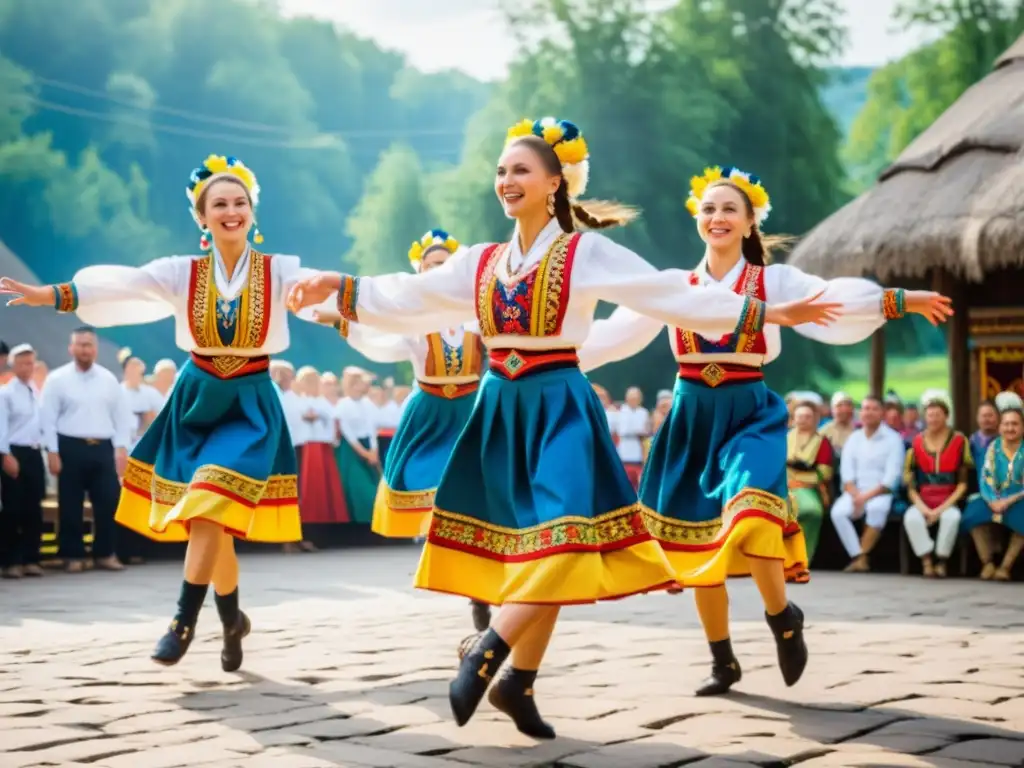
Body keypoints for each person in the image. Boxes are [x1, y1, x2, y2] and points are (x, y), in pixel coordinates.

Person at [287, 117, 843, 736]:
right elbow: (412, 296)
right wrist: (338, 285)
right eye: (501, 171)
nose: (506, 180)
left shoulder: (586, 253)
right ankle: (519, 685)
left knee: (565, 540)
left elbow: (669, 294)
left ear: (555, 182)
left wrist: (762, 311)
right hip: (500, 410)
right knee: (539, 551)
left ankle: (487, 649)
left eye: (521, 170)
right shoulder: (481, 262)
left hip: (559, 409)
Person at [575, 165, 952, 697]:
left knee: (752, 514)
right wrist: (540, 361)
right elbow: (615, 333)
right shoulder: (677, 287)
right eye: (708, 209)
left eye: (730, 208)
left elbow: (833, 300)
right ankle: (722, 659)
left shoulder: (774, 281)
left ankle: (781, 617)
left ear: (751, 222)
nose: (718, 217)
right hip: (690, 419)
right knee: (697, 544)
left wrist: (900, 300)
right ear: (698, 221)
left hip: (748, 411)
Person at [0, 154, 326, 670]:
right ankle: (232, 620)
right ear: (202, 217)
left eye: (240, 202)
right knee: (209, 518)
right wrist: (53, 295)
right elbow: (122, 285)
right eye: (219, 203)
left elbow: (328, 292)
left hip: (250, 402)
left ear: (252, 212)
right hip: (197, 399)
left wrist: (357, 306)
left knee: (208, 503)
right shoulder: (182, 272)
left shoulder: (280, 270)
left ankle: (182, 620)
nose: (231, 210)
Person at [316, 228, 492, 632]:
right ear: (420, 273)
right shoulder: (412, 319)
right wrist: (341, 321)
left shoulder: (477, 315)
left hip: (468, 410)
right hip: (429, 413)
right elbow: (380, 341)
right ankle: (455, 561)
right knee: (425, 483)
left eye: (445, 266)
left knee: (471, 491)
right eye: (431, 267)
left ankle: (477, 588)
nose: (438, 272)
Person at [39, 328, 132, 573]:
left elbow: (122, 417)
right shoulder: (57, 379)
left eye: (89, 345)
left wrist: (121, 448)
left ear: (96, 349)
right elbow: (47, 418)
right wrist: (52, 450)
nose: (85, 349)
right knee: (70, 504)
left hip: (102, 447)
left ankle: (105, 553)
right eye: (80, 345)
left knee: (108, 502)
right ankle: (72, 555)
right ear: (71, 348)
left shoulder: (108, 379)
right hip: (70, 446)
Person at [831, 395, 908, 572]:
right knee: (838, 512)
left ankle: (861, 557)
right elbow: (846, 474)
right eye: (866, 408)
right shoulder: (854, 438)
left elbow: (892, 478)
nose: (869, 412)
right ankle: (859, 556)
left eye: (874, 409)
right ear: (860, 413)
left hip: (881, 492)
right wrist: (856, 495)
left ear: (882, 413)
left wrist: (864, 498)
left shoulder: (893, 439)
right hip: (854, 492)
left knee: (876, 509)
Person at [901, 390, 971, 578]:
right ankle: (926, 560)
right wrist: (923, 508)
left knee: (951, 517)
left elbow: (963, 484)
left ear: (946, 416)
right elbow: (911, 485)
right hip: (923, 499)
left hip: (949, 498)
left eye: (937, 415)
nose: (933, 419)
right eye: (930, 415)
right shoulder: (915, 443)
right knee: (911, 517)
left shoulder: (959, 441)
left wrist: (940, 509)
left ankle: (942, 560)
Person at [961, 391, 1024, 580]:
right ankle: (987, 562)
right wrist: (991, 500)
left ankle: (1005, 566)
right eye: (1006, 424)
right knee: (972, 512)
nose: (1010, 428)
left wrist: (1009, 500)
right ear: (1000, 426)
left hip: (1019, 498)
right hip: (993, 498)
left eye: (1015, 424)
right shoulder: (993, 447)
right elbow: (985, 478)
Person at [0, 344, 46, 578]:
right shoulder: (6, 393)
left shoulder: (35, 390)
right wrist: (5, 454)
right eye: (22, 363)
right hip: (14, 452)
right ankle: (11, 560)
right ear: (13, 364)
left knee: (33, 508)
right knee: (13, 509)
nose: (27, 368)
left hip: (34, 452)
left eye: (30, 363)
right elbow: (2, 426)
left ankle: (31, 558)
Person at [786, 400, 834, 564]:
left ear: (815, 419)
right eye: (800, 416)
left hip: (808, 488)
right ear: (793, 418)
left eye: (808, 416)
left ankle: (802, 558)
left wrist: (800, 478)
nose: (803, 420)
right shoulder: (784, 438)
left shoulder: (822, 442)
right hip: (781, 487)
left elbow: (824, 473)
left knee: (811, 511)